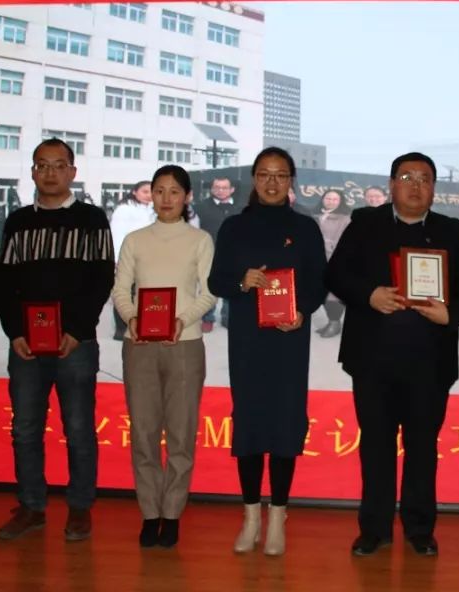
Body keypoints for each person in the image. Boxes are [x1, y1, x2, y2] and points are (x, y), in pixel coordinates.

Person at [327, 152, 459, 557]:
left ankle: (419, 529)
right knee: (376, 447)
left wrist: (451, 313)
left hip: (429, 364)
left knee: (422, 448)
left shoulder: (451, 231)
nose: (416, 186)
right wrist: (369, 295)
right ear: (392, 184)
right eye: (407, 177)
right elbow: (336, 274)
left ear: (434, 188)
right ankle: (374, 529)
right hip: (372, 361)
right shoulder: (365, 224)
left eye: (424, 179)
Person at [208, 147, 327, 556]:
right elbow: (217, 281)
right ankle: (250, 516)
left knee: (284, 423)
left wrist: (302, 310)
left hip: (289, 339)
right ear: (254, 179)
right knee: (250, 422)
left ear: (291, 180)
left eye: (280, 175)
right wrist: (242, 282)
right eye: (264, 174)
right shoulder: (234, 227)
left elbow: (318, 282)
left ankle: (278, 514)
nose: (272, 182)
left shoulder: (305, 228)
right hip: (247, 340)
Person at [0, 139, 114, 542]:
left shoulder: (93, 219)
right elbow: (4, 281)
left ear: (72, 172)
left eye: (58, 165)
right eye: (42, 165)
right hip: (26, 347)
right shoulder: (17, 222)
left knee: (79, 429)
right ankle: (31, 506)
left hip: (76, 344)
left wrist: (77, 330)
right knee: (25, 429)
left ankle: (80, 507)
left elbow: (102, 278)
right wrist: (15, 331)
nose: (50, 173)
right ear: (32, 172)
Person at [112, 166, 216, 548]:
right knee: (143, 433)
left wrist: (181, 320)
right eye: (159, 191)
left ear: (187, 197)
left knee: (181, 434)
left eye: (174, 191)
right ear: (150, 195)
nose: (166, 198)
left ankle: (171, 513)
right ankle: (149, 512)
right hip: (138, 345)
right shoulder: (135, 240)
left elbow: (209, 292)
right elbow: (121, 289)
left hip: (184, 345)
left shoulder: (200, 240)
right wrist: (132, 318)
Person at [109, 181, 154, 340]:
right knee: (125, 294)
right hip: (128, 258)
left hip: (148, 259)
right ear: (135, 192)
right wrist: (117, 259)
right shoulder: (124, 210)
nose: (149, 195)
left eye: (152, 192)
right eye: (145, 192)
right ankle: (121, 329)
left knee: (144, 295)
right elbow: (116, 235)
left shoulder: (153, 210)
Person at [193, 176, 238, 332]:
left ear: (232, 189)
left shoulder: (241, 207)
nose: (220, 191)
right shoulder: (200, 207)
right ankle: (207, 318)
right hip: (209, 253)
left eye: (224, 187)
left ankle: (228, 317)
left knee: (231, 287)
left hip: (234, 254)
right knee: (208, 287)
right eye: (216, 187)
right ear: (211, 189)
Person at [315, 188, 351, 338]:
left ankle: (335, 322)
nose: (331, 201)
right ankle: (331, 321)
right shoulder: (315, 216)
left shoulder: (345, 219)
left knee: (333, 295)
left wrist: (326, 244)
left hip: (335, 260)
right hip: (317, 260)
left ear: (340, 201)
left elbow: (346, 241)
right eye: (328, 198)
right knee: (321, 292)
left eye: (335, 199)